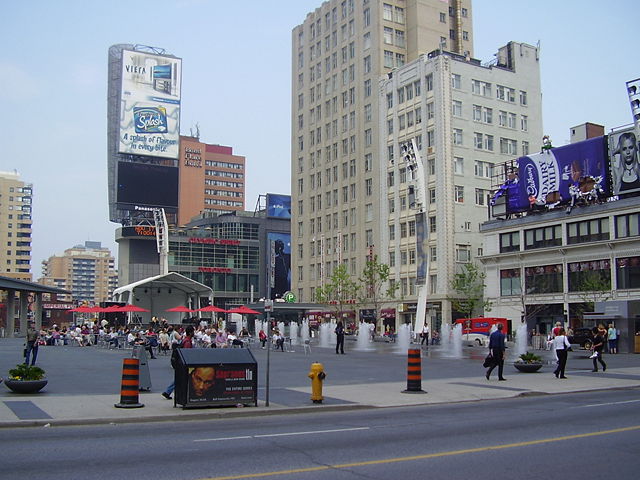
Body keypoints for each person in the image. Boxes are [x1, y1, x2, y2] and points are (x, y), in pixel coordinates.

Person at [162, 326, 194, 400]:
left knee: (178, 378)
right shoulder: (187, 342)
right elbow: (186, 354)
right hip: (183, 363)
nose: (194, 333)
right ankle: (172, 392)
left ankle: (168, 391)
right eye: (193, 332)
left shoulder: (185, 340)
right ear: (190, 332)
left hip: (179, 362)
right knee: (182, 378)